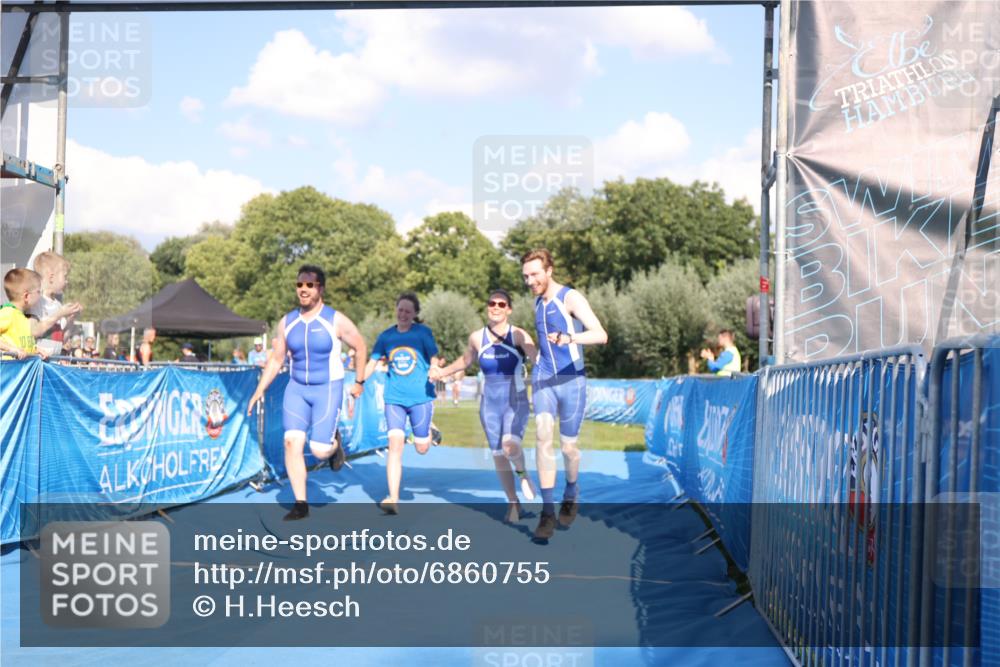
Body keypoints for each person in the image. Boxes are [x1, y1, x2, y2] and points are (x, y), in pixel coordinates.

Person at [247, 265, 368, 521]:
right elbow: (277, 360)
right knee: (291, 443)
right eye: (299, 284)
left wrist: (359, 381)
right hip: (297, 390)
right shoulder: (287, 322)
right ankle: (300, 503)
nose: (303, 289)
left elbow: (360, 345)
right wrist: (259, 390)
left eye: (309, 285)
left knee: (319, 451)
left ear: (320, 289)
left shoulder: (335, 319)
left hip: (327, 388)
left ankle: (334, 448)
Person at [522, 248, 608, 540]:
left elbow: (600, 334)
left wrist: (570, 338)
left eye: (534, 274)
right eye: (525, 276)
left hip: (572, 382)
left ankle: (571, 491)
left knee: (568, 449)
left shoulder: (570, 298)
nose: (530, 281)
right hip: (544, 379)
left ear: (549, 271)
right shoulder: (537, 302)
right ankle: (547, 512)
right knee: (542, 436)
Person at [430, 288, 537, 522]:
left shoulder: (518, 334)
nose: (496, 307)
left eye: (501, 304)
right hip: (489, 404)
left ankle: (523, 474)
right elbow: (465, 361)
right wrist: (441, 373)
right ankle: (513, 503)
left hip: (514, 400)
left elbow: (536, 356)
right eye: (492, 303)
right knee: (498, 454)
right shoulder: (477, 338)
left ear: (508, 310)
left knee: (510, 446)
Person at [364, 292, 438, 515]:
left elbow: (434, 357)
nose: (403, 314)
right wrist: (359, 382)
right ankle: (393, 497)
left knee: (422, 448)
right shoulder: (386, 337)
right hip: (394, 399)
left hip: (421, 398)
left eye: (408, 311)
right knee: (394, 447)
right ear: (395, 310)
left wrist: (434, 367)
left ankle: (430, 430)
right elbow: (372, 362)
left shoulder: (423, 333)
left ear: (415, 314)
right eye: (400, 310)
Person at [27, 251, 82, 355]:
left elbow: (62, 339)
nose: (67, 281)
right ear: (51, 277)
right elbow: (33, 331)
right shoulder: (37, 301)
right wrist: (59, 314)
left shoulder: (57, 305)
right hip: (39, 362)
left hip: (54, 363)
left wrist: (72, 318)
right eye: (65, 276)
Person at [1, 268, 47, 360]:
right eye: (38, 292)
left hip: (22, 371)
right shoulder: (8, 313)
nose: (40, 296)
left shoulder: (23, 316)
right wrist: (11, 349)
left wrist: (35, 350)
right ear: (26, 296)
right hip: (9, 371)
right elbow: (15, 348)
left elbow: (22, 344)